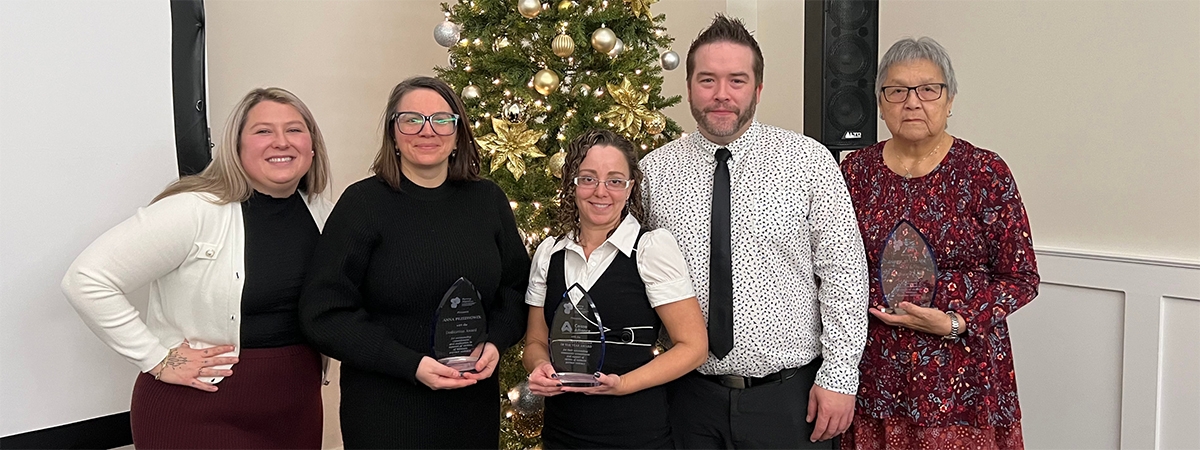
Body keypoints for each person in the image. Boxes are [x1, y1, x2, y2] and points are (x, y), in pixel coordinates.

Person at [639, 14, 870, 449]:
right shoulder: (654, 172)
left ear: (758, 89)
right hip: (687, 400)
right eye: (707, 80)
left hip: (790, 401)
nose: (721, 94)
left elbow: (844, 274)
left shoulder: (809, 162)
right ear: (688, 86)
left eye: (737, 81)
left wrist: (840, 377)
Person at [61, 87, 333, 448]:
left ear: (311, 146)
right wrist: (157, 358)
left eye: (295, 130)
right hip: (198, 410)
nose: (281, 142)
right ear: (236, 147)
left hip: (294, 410)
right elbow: (86, 279)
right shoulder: (193, 210)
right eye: (263, 131)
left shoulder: (323, 214)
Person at [299, 76, 530, 449]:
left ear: (458, 133)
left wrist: (496, 343)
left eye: (441, 119)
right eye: (411, 119)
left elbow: (515, 289)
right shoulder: (362, 205)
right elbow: (324, 313)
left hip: (470, 406)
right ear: (393, 132)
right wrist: (409, 364)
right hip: (386, 409)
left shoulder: (487, 201)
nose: (428, 131)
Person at [838, 37, 1040, 450]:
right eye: (896, 91)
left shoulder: (985, 171)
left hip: (964, 375)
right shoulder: (855, 172)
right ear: (880, 103)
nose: (912, 102)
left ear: (949, 101)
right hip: (875, 372)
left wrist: (955, 322)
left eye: (928, 89)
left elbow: (1021, 277)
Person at [523, 129, 708, 449]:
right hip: (561, 434)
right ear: (572, 184)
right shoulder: (548, 254)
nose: (601, 191)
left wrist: (622, 384)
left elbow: (693, 347)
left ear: (630, 187)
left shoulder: (651, 249)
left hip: (636, 434)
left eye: (615, 180)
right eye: (588, 178)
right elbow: (536, 342)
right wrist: (539, 366)